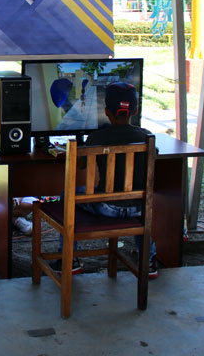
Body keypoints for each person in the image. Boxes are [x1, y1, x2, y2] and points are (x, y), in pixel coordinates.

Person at [74, 82, 159, 279]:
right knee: (140, 207)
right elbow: (154, 156)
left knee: (66, 196)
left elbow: (80, 165)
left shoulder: (96, 138)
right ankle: (149, 261)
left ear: (106, 111)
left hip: (106, 207)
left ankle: (68, 260)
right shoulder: (146, 137)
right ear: (135, 110)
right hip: (138, 207)